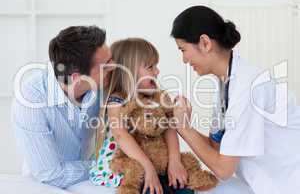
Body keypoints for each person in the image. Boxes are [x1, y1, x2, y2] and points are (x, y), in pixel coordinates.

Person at [170, 5, 300, 194]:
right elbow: (217, 147)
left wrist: (184, 128)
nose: (184, 59)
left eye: (183, 50)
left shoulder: (247, 87)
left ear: (205, 43)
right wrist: (183, 124)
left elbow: (223, 169)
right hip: (265, 182)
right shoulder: (225, 84)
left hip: (289, 182)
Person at [11, 26, 117, 193]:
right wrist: (105, 165)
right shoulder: (31, 99)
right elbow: (50, 174)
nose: (114, 67)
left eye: (112, 59)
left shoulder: (104, 84)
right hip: (45, 185)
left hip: (92, 177)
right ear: (78, 78)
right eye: (106, 66)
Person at [90, 38, 194, 194]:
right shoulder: (117, 100)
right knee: (146, 187)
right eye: (150, 67)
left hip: (156, 161)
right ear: (129, 72)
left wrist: (174, 160)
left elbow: (169, 127)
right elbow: (120, 135)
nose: (157, 71)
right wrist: (148, 168)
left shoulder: (157, 97)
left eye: (156, 66)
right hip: (129, 163)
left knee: (182, 185)